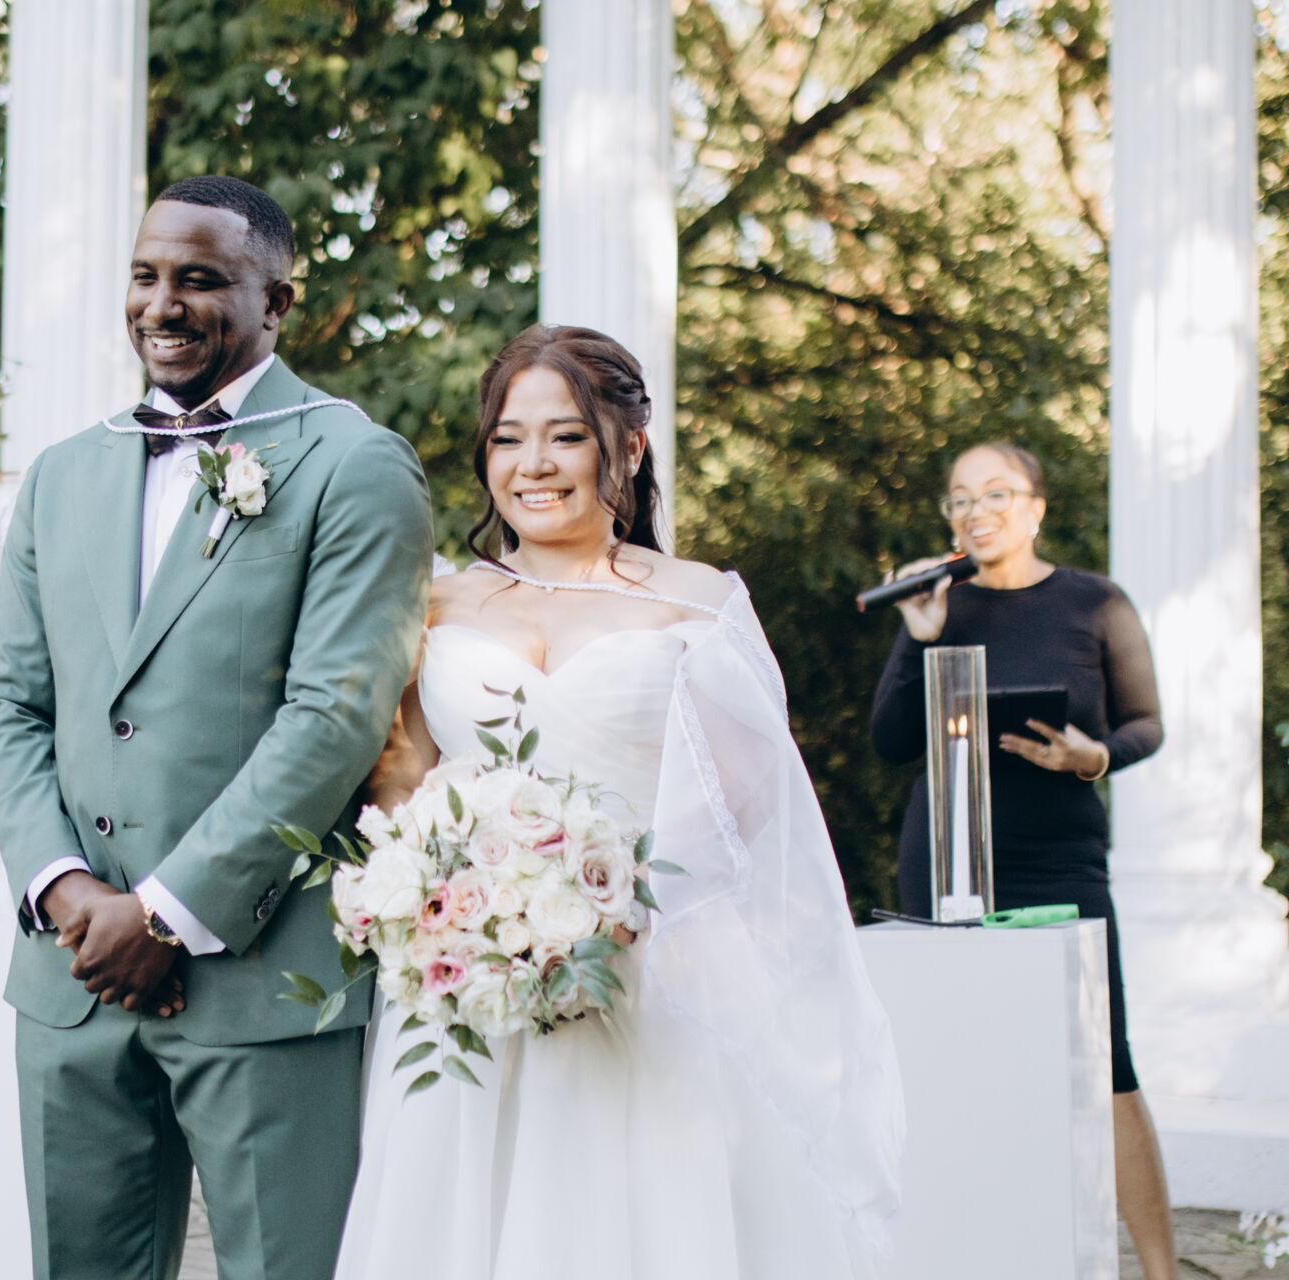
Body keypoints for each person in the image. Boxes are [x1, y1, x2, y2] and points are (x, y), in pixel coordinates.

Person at [336, 324, 904, 1279]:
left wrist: (610, 906)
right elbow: (404, 776)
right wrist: (442, 904)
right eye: (508, 438)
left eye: (565, 435)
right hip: (469, 983)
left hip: (650, 970)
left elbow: (749, 800)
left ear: (629, 448)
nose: (533, 464)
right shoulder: (436, 602)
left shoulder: (698, 600)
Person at [0, 174, 433, 1280]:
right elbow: (6, 702)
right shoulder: (62, 474)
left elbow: (336, 714)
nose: (162, 304)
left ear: (277, 302)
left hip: (265, 977)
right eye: (145, 276)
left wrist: (165, 915)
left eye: (201, 279)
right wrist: (70, 895)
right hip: (73, 976)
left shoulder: (354, 463)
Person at [869, 441, 1176, 1280]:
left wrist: (1094, 756)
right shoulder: (938, 606)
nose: (976, 511)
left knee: (1107, 1063)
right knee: (954, 1058)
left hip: (1062, 857)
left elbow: (1146, 723)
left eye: (996, 494)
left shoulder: (1094, 602)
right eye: (960, 498)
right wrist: (919, 637)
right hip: (948, 860)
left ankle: (1161, 1271)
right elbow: (890, 742)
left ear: (1035, 507)